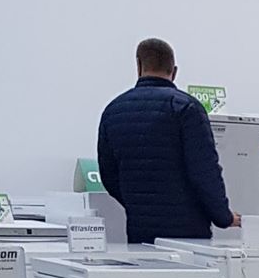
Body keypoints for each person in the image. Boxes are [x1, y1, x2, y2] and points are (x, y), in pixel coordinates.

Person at [95, 38, 239, 245]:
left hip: (140, 232)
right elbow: (204, 171)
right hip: (189, 234)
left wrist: (138, 204)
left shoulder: (113, 111)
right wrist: (223, 217)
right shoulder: (186, 108)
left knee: (144, 268)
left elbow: (109, 176)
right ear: (174, 71)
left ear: (138, 66)